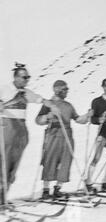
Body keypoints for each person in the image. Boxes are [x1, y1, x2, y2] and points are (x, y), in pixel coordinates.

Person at [0, 63, 59, 204]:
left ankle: (3, 198)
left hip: (21, 130)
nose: (27, 80)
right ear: (16, 77)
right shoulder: (4, 89)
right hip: (7, 127)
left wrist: (51, 105)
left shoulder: (26, 92)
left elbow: (39, 99)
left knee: (14, 166)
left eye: (28, 77)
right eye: (24, 77)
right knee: (4, 163)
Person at [35, 80, 90, 199]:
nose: (66, 92)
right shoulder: (49, 104)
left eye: (67, 89)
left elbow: (77, 119)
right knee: (50, 160)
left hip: (67, 136)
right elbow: (38, 120)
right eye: (64, 89)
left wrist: (87, 116)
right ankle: (45, 189)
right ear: (57, 90)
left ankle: (57, 188)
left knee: (65, 162)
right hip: (53, 135)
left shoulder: (68, 105)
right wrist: (48, 116)